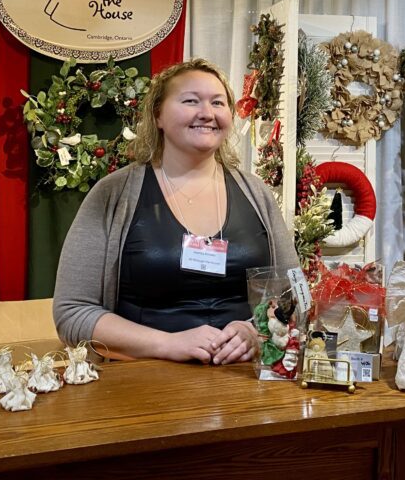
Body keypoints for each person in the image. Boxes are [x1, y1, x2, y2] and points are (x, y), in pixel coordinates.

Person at [53, 58, 298, 365]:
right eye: (190, 101)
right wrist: (169, 344)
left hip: (242, 382)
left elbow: (293, 295)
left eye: (218, 103)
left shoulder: (256, 192)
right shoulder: (112, 194)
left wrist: (254, 331)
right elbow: (73, 312)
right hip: (143, 384)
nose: (206, 113)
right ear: (158, 115)